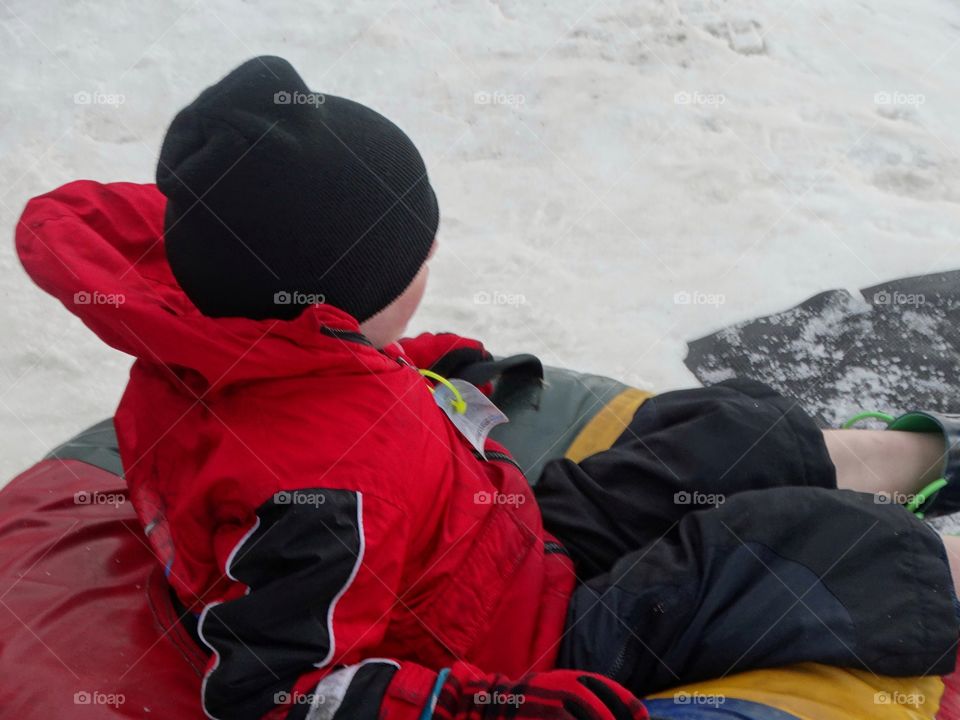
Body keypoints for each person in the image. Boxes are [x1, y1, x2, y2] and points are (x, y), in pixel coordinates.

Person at [15, 55, 959, 720]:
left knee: (721, 429)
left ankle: (905, 454)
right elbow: (284, 688)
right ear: (338, 289)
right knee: (807, 552)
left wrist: (438, 372)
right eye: (411, 257)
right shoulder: (323, 494)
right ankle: (926, 552)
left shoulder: (236, 333)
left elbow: (327, 373)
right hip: (518, 646)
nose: (430, 257)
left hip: (491, 539)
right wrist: (498, 701)